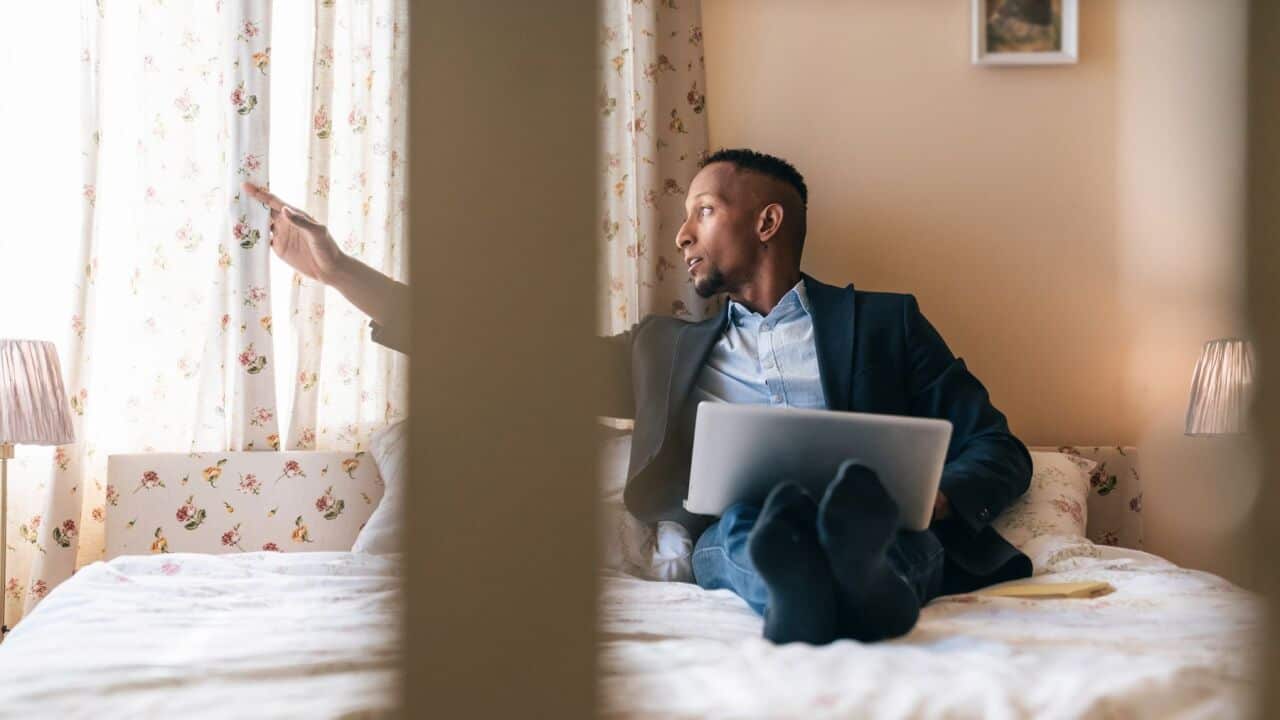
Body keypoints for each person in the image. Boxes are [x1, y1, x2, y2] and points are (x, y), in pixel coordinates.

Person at [243, 148, 1033, 647]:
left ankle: (850, 579)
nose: (682, 235)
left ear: (767, 220)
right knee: (746, 534)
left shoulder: (887, 323)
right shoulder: (666, 349)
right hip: (746, 522)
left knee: (877, 525)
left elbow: (999, 448)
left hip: (885, 518)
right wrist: (341, 272)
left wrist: (934, 499)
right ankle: (836, 597)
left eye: (702, 210)